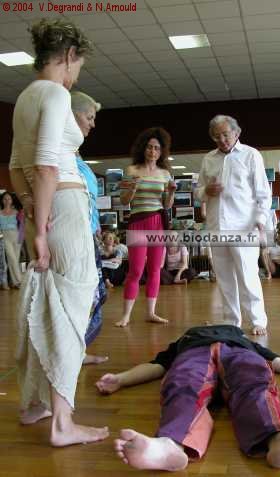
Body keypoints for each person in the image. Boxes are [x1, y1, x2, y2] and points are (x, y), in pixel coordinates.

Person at [9, 18, 108, 446]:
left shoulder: (24, 98)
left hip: (43, 207)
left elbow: (17, 169)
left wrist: (32, 212)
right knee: (71, 312)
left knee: (45, 307)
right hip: (63, 208)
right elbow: (49, 164)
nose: (77, 74)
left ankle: (35, 404)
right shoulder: (55, 93)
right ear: (69, 56)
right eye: (78, 65)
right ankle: (63, 425)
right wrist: (43, 230)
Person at [95, 324, 280, 471]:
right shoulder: (185, 340)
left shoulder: (244, 341)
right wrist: (121, 379)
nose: (210, 325)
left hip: (238, 354)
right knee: (183, 383)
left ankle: (277, 439)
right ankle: (170, 446)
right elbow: (156, 366)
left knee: (254, 382)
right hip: (194, 353)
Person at [195, 115, 271, 336]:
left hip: (244, 226)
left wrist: (260, 220)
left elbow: (263, 193)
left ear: (236, 133)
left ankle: (258, 320)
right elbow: (198, 189)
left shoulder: (251, 155)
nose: (222, 139)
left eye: (225, 134)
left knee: (248, 275)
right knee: (224, 277)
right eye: (216, 136)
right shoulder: (209, 159)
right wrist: (205, 191)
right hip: (216, 226)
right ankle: (231, 321)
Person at [115, 127, 176, 327]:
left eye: (157, 148)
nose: (152, 151)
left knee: (155, 269)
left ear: (161, 151)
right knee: (136, 270)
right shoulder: (131, 170)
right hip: (138, 222)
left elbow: (167, 205)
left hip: (158, 223)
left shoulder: (165, 173)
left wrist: (172, 193)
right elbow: (124, 201)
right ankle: (126, 315)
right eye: (149, 147)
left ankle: (151, 312)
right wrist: (132, 188)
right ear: (143, 148)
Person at [71, 90, 108, 366]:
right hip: (74, 238)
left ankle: (78, 350)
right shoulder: (62, 154)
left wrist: (95, 229)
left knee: (96, 295)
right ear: (72, 115)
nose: (93, 124)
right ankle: (72, 352)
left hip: (89, 235)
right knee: (83, 296)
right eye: (89, 117)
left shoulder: (77, 154)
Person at [0, 191, 22, 288]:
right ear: (2, 200)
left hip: (16, 236)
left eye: (9, 198)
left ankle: (14, 282)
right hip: (5, 236)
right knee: (12, 259)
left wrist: (21, 238)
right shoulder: (0, 212)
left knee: (14, 260)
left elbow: (22, 226)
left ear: (12, 200)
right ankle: (20, 281)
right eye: (5, 199)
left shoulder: (16, 212)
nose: (7, 201)